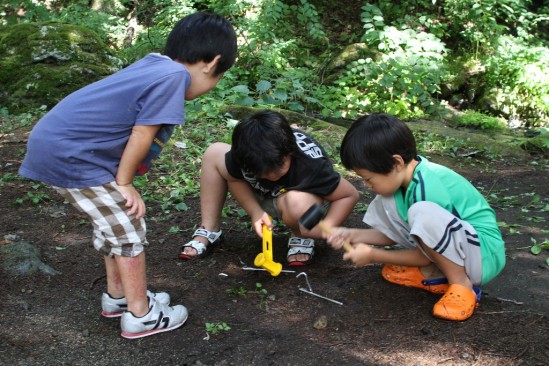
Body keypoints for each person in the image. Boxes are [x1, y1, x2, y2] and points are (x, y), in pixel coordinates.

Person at [18, 12, 237, 339]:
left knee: (113, 225)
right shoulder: (174, 77)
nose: (212, 86)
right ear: (212, 62)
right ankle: (141, 314)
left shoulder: (155, 64)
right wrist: (124, 182)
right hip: (72, 155)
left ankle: (118, 298)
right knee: (129, 226)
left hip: (61, 147)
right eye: (219, 77)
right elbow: (141, 134)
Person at [325, 113, 505, 321]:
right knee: (388, 198)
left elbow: (425, 252)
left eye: (368, 178)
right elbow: (394, 234)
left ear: (396, 163)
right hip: (462, 250)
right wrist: (351, 234)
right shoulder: (404, 182)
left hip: (483, 255)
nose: (366, 185)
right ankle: (434, 275)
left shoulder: (428, 190)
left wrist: (373, 255)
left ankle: (462, 285)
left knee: (421, 212)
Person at [178, 110, 359, 266]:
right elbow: (234, 179)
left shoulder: (310, 165)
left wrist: (327, 227)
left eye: (279, 167)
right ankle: (210, 229)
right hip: (267, 194)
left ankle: (301, 235)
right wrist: (256, 211)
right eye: (261, 172)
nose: (272, 175)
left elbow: (348, 195)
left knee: (297, 201)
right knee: (214, 152)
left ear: (290, 152)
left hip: (305, 201)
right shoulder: (245, 156)